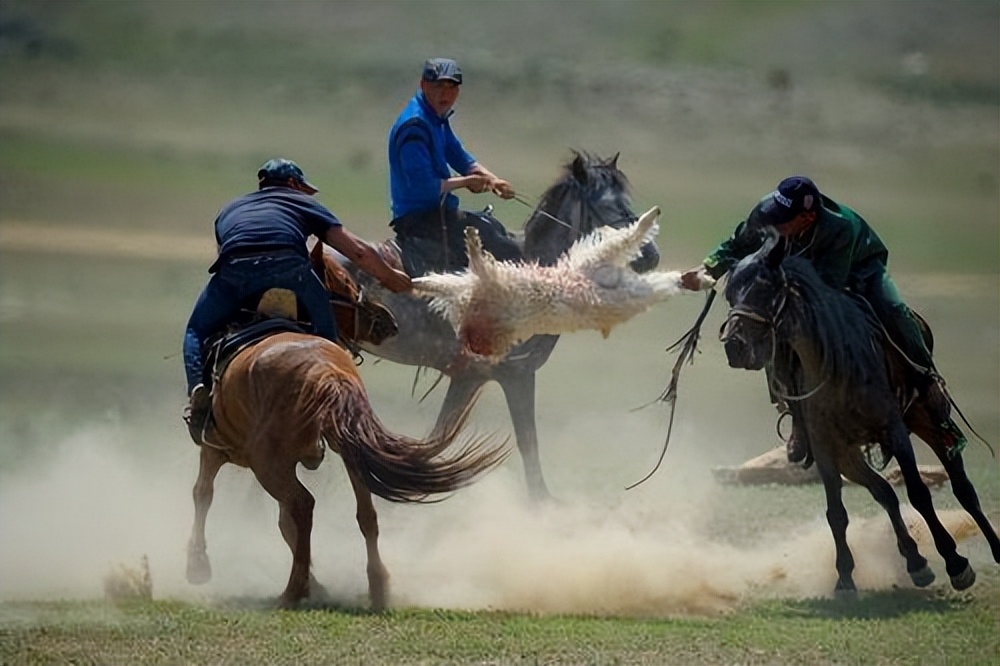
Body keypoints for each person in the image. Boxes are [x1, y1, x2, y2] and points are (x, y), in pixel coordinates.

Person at [681, 175, 965, 462]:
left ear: (807, 217)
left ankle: (927, 384)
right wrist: (707, 268)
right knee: (772, 325)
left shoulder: (840, 228)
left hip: (859, 270)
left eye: (785, 219)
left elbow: (829, 285)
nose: (775, 223)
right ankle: (798, 418)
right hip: (798, 276)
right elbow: (736, 245)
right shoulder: (768, 213)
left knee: (894, 312)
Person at [182, 158, 412, 443]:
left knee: (195, 330)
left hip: (234, 274)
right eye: (303, 188)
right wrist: (390, 276)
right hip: (290, 270)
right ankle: (330, 402)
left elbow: (225, 250)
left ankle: (199, 394)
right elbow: (358, 252)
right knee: (327, 341)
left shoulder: (229, 209)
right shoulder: (303, 204)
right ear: (292, 184)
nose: (304, 194)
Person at [387, 57, 522, 276]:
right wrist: (467, 182)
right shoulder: (415, 126)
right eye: (438, 86)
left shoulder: (436, 118)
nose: (445, 94)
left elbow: (458, 155)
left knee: (493, 229)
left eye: (452, 87)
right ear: (423, 85)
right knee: (500, 247)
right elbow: (423, 187)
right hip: (419, 218)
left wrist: (493, 180)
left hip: (438, 211)